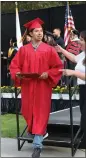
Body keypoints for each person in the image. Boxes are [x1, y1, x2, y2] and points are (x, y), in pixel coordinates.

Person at [9, 17, 63, 158]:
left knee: (41, 113)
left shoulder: (49, 50)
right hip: (28, 86)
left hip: (43, 87)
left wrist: (48, 73)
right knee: (28, 112)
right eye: (36, 31)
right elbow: (14, 66)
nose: (40, 33)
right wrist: (18, 74)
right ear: (30, 34)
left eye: (41, 31)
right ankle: (37, 133)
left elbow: (57, 67)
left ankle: (37, 145)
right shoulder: (23, 51)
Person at [55, 30, 86, 145]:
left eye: (81, 40)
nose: (79, 43)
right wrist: (61, 50)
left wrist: (73, 72)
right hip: (83, 89)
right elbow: (73, 58)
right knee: (83, 115)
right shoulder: (83, 55)